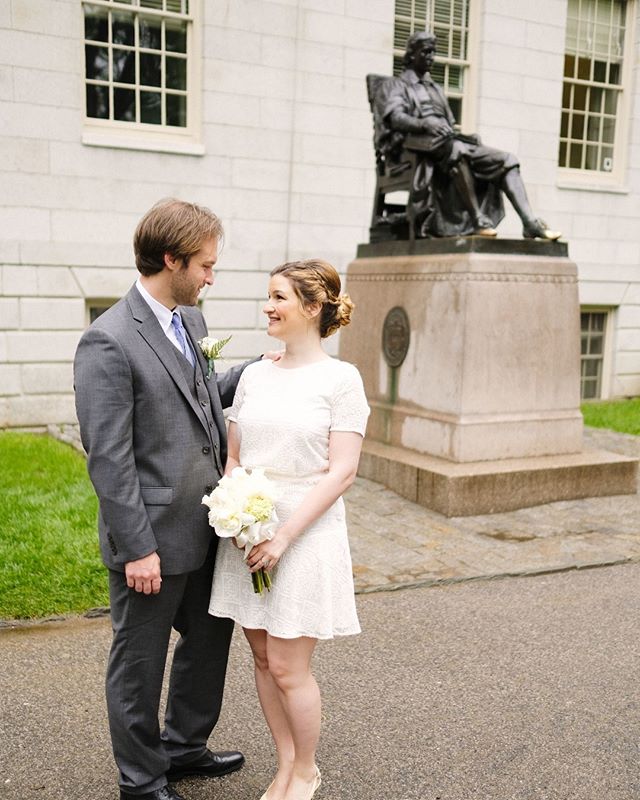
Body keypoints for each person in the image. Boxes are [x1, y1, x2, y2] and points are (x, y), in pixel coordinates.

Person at [74, 199, 258, 800]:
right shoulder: (107, 341)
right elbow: (109, 458)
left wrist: (263, 370)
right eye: (205, 264)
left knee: (208, 645)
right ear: (171, 259)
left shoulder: (192, 321)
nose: (212, 276)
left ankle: (184, 748)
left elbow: (199, 392)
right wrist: (137, 549)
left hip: (208, 526)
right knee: (139, 663)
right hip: (150, 539)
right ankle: (141, 779)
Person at [208, 259, 370, 800]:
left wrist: (282, 536)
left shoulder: (341, 379)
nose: (267, 306)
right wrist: (236, 513)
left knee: (287, 663)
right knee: (259, 655)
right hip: (250, 533)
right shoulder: (255, 373)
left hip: (305, 531)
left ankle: (306, 770)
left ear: (313, 306)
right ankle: (284, 764)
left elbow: (342, 471)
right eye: (268, 295)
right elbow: (234, 455)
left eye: (278, 297)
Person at [374, 31, 561, 240]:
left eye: (433, 52)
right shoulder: (395, 85)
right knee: (457, 150)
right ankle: (477, 219)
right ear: (411, 54)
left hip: (446, 143)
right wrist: (425, 123)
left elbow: (449, 123)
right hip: (414, 149)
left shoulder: (434, 88)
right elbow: (396, 119)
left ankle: (529, 222)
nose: (431, 57)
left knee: (508, 160)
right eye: (426, 52)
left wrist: (445, 129)